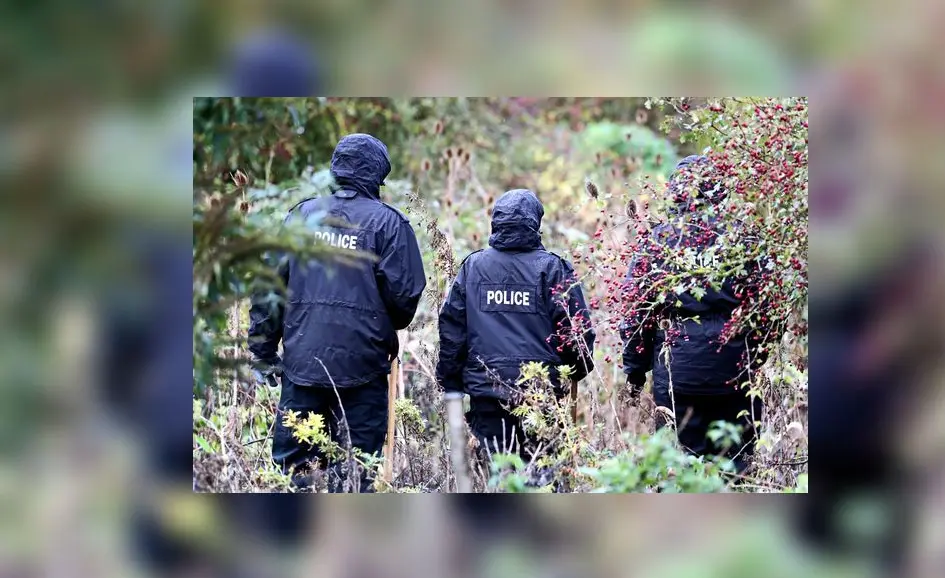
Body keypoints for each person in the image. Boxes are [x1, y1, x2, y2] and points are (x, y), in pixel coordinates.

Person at [249, 133, 426, 492]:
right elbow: (405, 300)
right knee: (359, 472)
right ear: (377, 175)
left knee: (293, 473)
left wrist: (263, 353)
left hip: (302, 366)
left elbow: (269, 290)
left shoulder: (302, 216)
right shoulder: (390, 225)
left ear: (336, 169)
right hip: (365, 368)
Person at [619, 155, 763, 474]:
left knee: (680, 469)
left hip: (677, 373)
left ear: (676, 191)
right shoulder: (745, 238)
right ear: (719, 190)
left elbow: (636, 310)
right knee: (734, 468)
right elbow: (770, 302)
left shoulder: (658, 242)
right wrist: (756, 352)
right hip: (735, 368)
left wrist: (635, 370)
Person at [436, 189, 595, 474]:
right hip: (541, 393)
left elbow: (452, 331)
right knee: (542, 476)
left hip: (487, 392)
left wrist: (451, 382)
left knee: (498, 476)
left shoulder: (473, 267)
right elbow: (577, 334)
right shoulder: (553, 269)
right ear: (536, 223)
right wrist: (574, 371)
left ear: (496, 222)